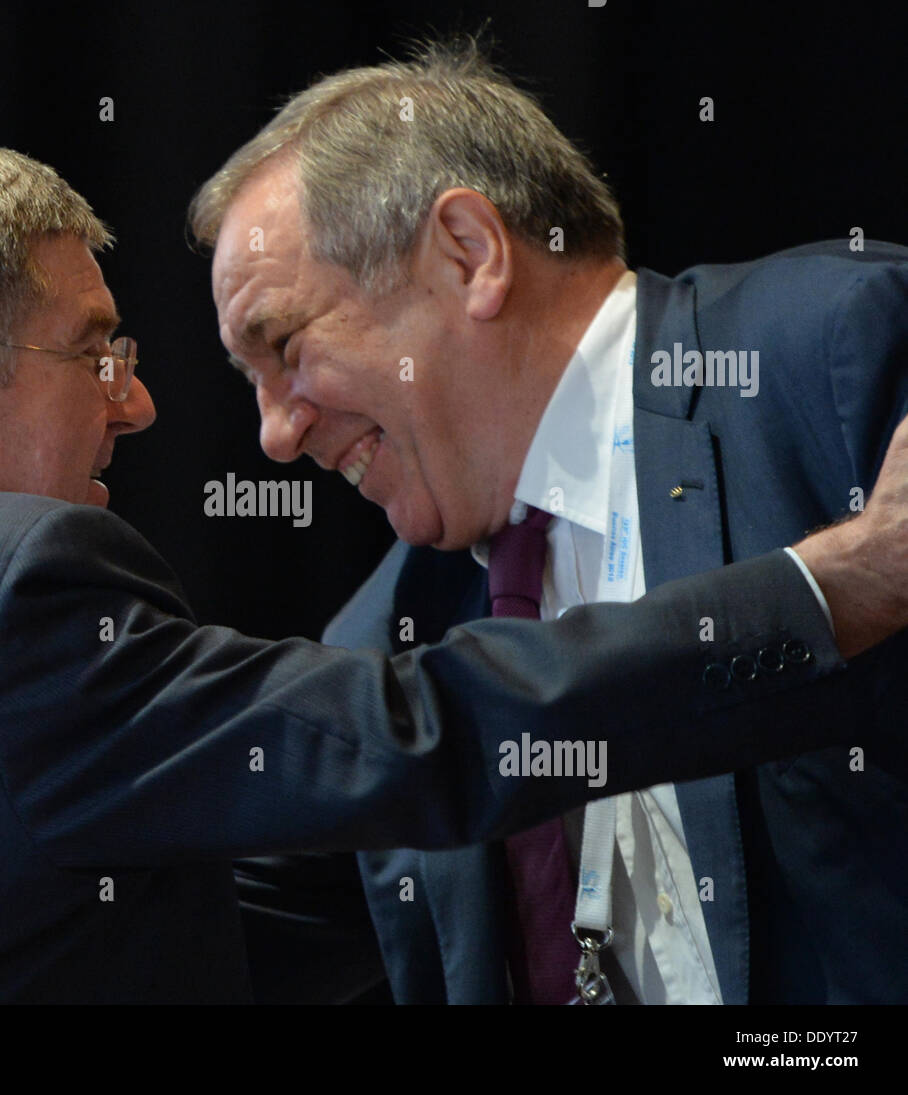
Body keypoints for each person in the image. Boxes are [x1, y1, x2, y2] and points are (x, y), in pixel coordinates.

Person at [0, 136, 903, 1004]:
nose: (146, 406)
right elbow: (421, 735)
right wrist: (834, 585)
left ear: (469, 254)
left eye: (284, 342)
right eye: (95, 353)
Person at [190, 37, 908, 1003]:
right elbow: (196, 948)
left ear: (469, 253)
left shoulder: (832, 356)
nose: (276, 435)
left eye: (283, 345)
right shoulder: (380, 639)